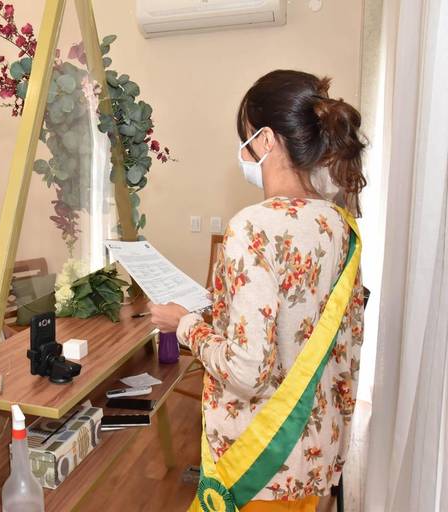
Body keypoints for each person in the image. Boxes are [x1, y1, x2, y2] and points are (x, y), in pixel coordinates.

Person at [150, 70, 366, 512]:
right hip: (314, 455)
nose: (244, 150)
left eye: (246, 138)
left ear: (265, 139)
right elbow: (342, 343)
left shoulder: (252, 227)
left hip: (259, 461)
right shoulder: (340, 225)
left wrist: (184, 324)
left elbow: (247, 370)